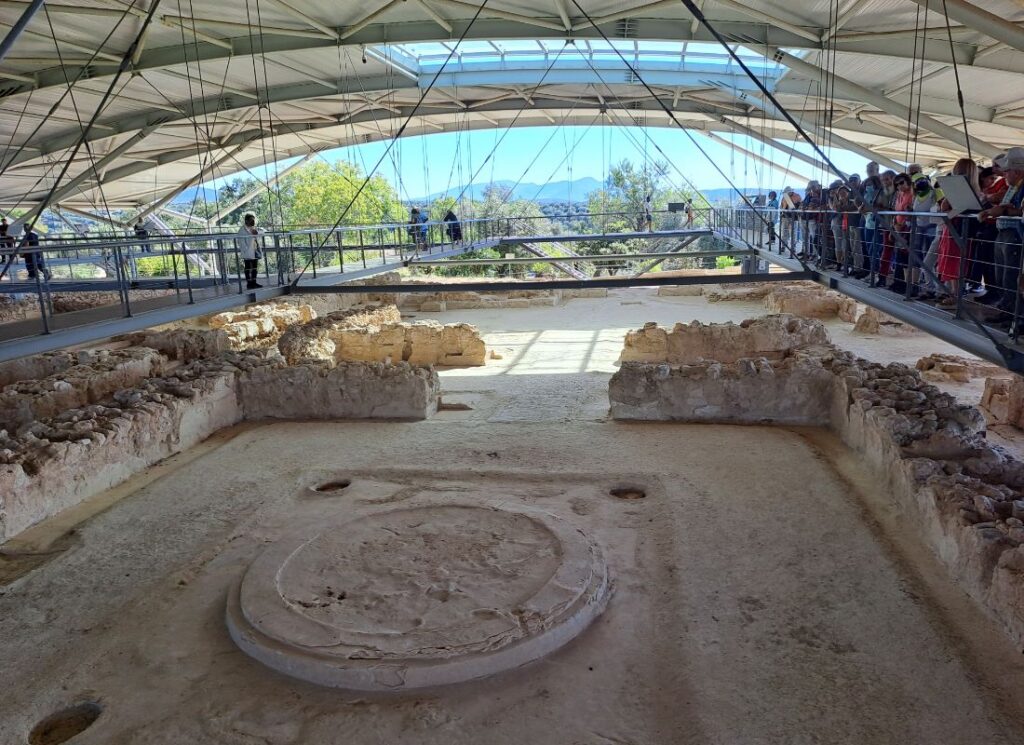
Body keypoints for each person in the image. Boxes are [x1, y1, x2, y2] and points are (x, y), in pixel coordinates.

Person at [978, 147, 1024, 317]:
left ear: (1017, 172)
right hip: (1006, 233)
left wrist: (1001, 211)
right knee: (1004, 275)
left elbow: (1020, 211)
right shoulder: (1015, 187)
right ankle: (1008, 310)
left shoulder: (1020, 187)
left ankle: (1014, 315)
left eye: (1007, 171)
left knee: (1011, 276)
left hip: (1014, 234)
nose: (1004, 174)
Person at [236, 213, 262, 289]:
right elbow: (241, 243)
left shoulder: (253, 228)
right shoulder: (242, 230)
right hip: (247, 252)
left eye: (253, 220)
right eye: (251, 220)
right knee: (248, 268)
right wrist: (246, 250)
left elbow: (262, 232)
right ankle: (249, 283)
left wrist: (256, 233)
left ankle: (254, 282)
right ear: (246, 221)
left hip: (254, 251)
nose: (253, 222)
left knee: (254, 268)